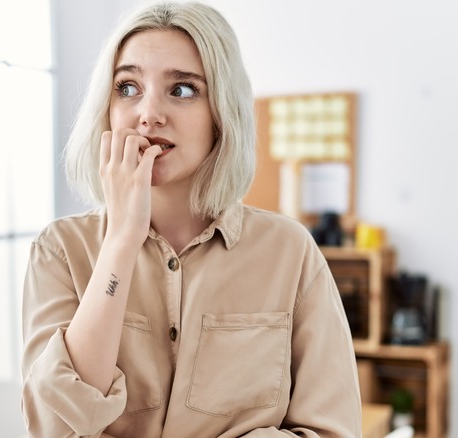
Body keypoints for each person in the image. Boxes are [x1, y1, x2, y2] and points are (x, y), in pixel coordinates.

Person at [20, 2, 361, 437]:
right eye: (127, 87)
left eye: (182, 90)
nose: (148, 114)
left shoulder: (290, 253)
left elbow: (331, 430)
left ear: (222, 113)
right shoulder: (59, 251)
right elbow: (57, 427)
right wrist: (121, 241)